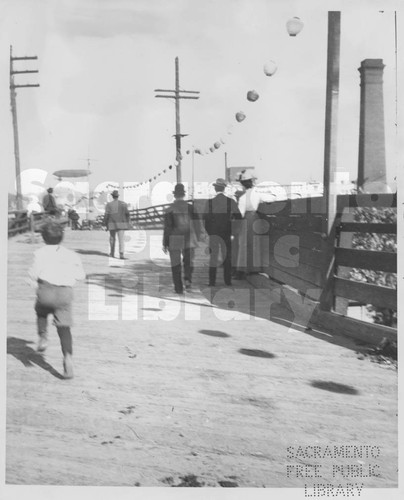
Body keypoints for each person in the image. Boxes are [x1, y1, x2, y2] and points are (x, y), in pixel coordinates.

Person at [27, 220, 85, 379]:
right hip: (64, 295)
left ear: (44, 238)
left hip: (46, 292)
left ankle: (43, 336)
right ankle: (67, 357)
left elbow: (33, 274)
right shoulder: (71, 254)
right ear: (62, 237)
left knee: (40, 311)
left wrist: (33, 281)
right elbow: (81, 276)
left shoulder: (39, 253)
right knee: (64, 328)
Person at [163, 183, 201, 294]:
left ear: (175, 195)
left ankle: (178, 288)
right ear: (183, 195)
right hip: (189, 238)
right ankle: (188, 279)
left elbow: (167, 228)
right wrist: (198, 237)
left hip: (174, 238)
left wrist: (165, 243)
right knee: (188, 261)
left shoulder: (169, 209)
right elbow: (197, 224)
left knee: (175, 264)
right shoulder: (191, 208)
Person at [202, 178, 241, 286]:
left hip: (213, 233)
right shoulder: (231, 201)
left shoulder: (209, 203)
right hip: (227, 233)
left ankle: (212, 282)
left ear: (215, 188)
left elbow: (205, 219)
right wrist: (233, 232)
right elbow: (238, 217)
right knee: (227, 257)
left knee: (213, 257)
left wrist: (209, 232)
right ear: (224, 188)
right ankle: (227, 281)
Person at [235, 170, 268, 278]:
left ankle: (242, 269)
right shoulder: (258, 193)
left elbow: (240, 212)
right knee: (255, 243)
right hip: (256, 219)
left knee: (244, 244)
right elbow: (269, 199)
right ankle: (254, 268)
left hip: (246, 219)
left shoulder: (243, 197)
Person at [103, 190, 131, 259]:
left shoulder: (109, 205)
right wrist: (127, 222)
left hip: (112, 223)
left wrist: (104, 223)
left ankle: (112, 253)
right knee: (121, 239)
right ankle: (121, 254)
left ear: (112, 196)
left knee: (112, 238)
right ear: (118, 196)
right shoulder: (123, 204)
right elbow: (127, 214)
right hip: (121, 224)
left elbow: (106, 215)